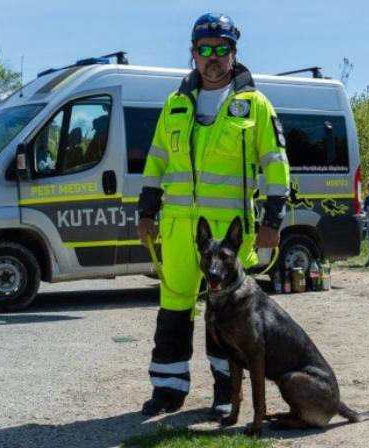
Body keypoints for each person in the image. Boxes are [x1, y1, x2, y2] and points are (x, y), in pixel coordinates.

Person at [136, 12, 290, 419]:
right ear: (193, 54)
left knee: (230, 314)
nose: (213, 57)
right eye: (205, 50)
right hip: (179, 231)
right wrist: (146, 213)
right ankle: (167, 391)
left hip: (226, 238)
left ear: (234, 54)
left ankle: (227, 391)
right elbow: (155, 164)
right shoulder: (174, 105)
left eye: (222, 49)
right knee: (174, 309)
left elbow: (276, 166)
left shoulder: (254, 105)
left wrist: (273, 221)